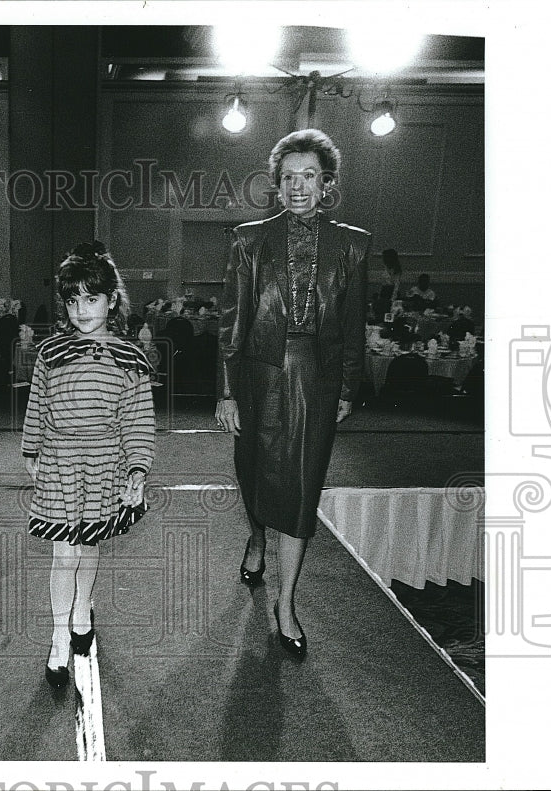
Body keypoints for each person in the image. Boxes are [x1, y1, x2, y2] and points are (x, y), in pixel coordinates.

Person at [215, 128, 369, 658]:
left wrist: (347, 387)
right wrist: (227, 391)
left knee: (303, 490)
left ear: (327, 183)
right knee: (254, 473)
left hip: (318, 381)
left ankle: (285, 605)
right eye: (288, 177)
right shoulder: (249, 239)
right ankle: (257, 537)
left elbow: (353, 324)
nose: (298, 187)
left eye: (309, 176)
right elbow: (231, 323)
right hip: (259, 377)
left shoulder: (353, 244)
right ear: (275, 185)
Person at [21, 242, 155, 688]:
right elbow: (37, 403)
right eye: (73, 300)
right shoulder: (50, 353)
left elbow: (137, 418)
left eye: (92, 299)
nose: (81, 310)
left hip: (104, 463)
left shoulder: (130, 357)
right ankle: (59, 637)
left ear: (112, 299)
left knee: (89, 545)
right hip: (60, 460)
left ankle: (82, 615)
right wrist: (31, 449)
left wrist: (137, 469)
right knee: (63, 553)